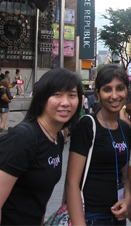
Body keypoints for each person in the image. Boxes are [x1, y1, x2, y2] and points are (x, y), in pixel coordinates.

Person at [0, 68, 83, 225]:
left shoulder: (56, 137)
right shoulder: (23, 138)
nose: (65, 102)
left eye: (72, 95)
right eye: (57, 95)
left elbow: (39, 198)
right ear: (42, 98)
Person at [66, 64, 131, 225]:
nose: (114, 95)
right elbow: (72, 182)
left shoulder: (125, 128)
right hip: (91, 216)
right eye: (107, 89)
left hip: (117, 217)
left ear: (127, 91)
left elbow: (125, 175)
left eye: (120, 88)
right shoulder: (87, 125)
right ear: (98, 94)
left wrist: (128, 199)